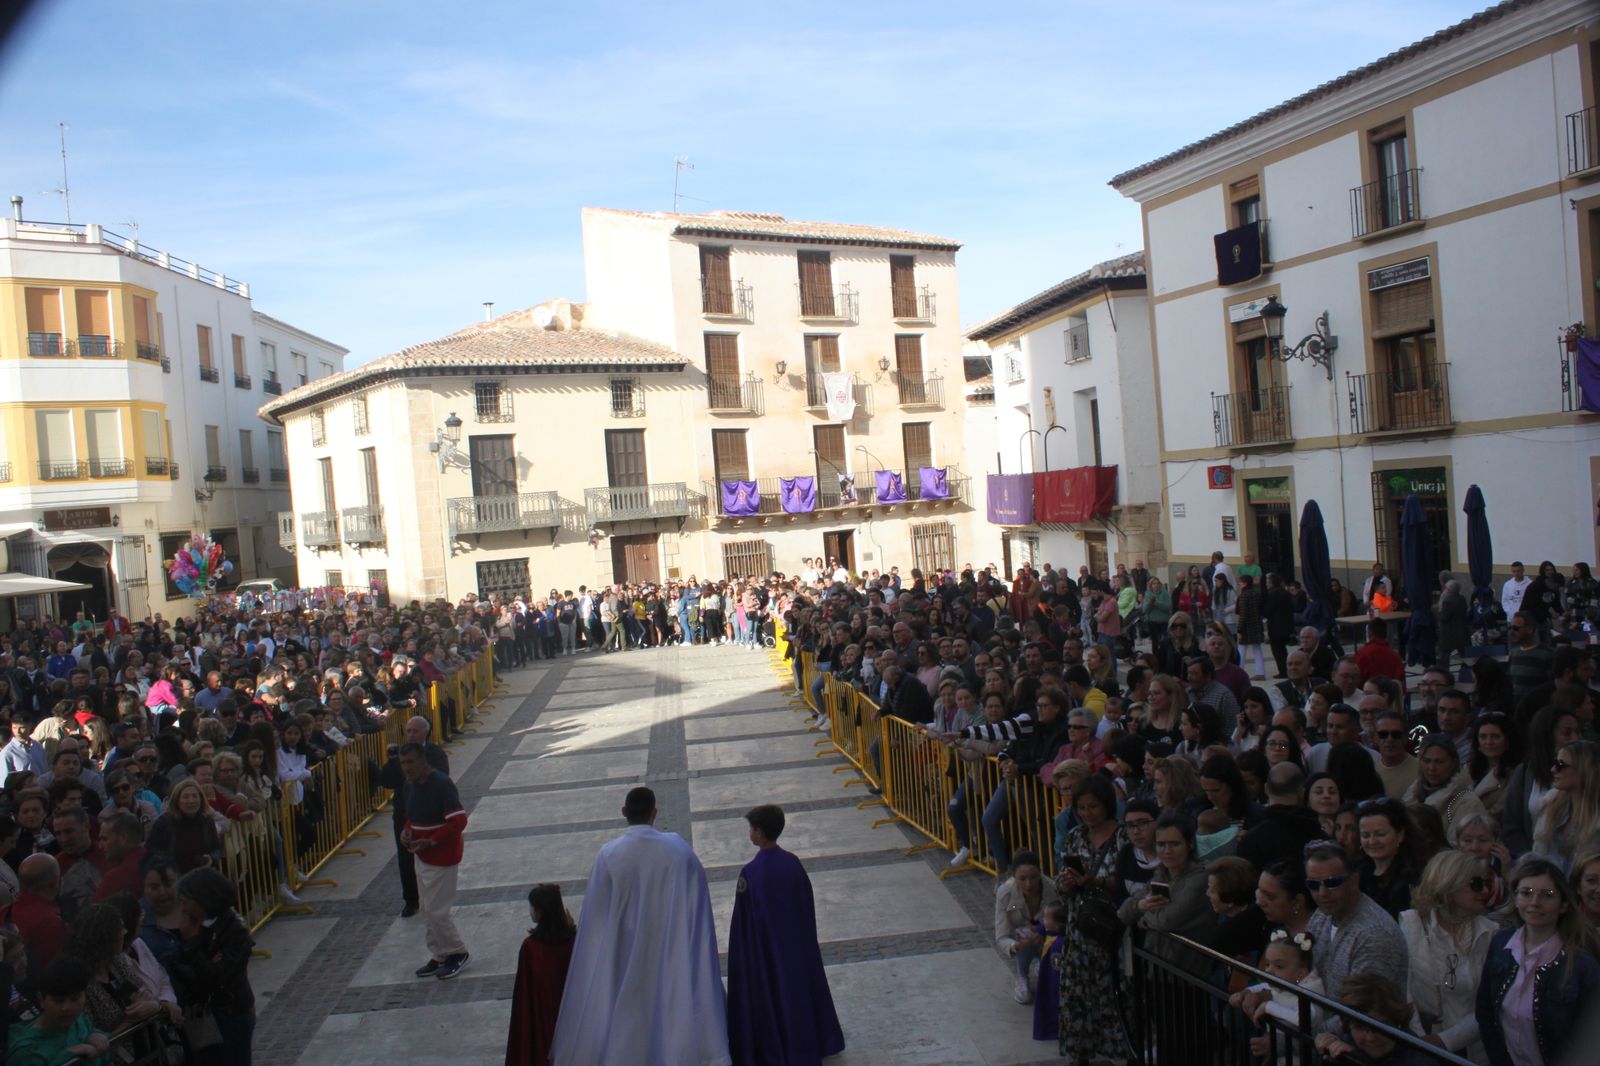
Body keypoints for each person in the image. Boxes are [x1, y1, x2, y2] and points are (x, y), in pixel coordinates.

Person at [551, 786, 729, 1066]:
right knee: (667, 997)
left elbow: (596, 914)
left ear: (624, 812)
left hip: (625, 944)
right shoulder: (678, 849)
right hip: (669, 938)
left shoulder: (609, 854)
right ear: (654, 813)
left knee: (629, 1002)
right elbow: (697, 900)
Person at [725, 804, 844, 1066]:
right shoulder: (792, 862)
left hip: (767, 948)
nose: (750, 833)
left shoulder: (751, 873)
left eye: (751, 829)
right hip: (795, 945)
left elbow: (744, 921)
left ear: (759, 833)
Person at [1476, 855, 1600, 1066]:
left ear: (1563, 905)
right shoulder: (1500, 944)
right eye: (1526, 893)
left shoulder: (1582, 965)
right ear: (1515, 899)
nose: (1535, 903)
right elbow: (1485, 1013)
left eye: (1547, 895)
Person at [1398, 850, 1495, 1061]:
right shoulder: (1411, 924)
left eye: (1487, 883)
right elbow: (1403, 993)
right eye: (1477, 884)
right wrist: (1421, 1042)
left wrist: (1446, 1041)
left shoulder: (1490, 933)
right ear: (1449, 885)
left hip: (1472, 1052)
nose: (1486, 890)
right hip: (1419, 1047)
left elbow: (1490, 1004)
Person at [1303, 842, 1409, 1025]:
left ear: (1354, 881)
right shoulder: (1321, 915)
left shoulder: (1375, 935)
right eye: (1313, 884)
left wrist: (1294, 1041)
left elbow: (1363, 1014)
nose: (1322, 893)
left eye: (1332, 883)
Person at [170, 867, 255, 1066]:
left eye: (187, 902)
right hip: (201, 1016)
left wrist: (191, 943)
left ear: (204, 900)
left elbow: (218, 976)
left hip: (231, 1013)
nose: (182, 909)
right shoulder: (193, 924)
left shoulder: (234, 931)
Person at [398, 741, 469, 981]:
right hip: (421, 855)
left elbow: (458, 820)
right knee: (427, 909)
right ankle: (439, 953)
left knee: (438, 911)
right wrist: (407, 831)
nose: (407, 768)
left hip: (442, 856)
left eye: (411, 762)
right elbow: (412, 817)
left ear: (423, 761)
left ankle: (457, 952)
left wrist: (432, 840)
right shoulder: (409, 786)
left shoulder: (440, 784)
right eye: (403, 763)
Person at [379, 717, 450, 918]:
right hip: (405, 814)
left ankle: (433, 896)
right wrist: (393, 761)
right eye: (408, 731)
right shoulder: (401, 754)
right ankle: (411, 900)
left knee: (432, 855)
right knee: (405, 856)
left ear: (425, 732)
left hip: (430, 815)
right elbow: (385, 780)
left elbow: (440, 777)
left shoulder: (434, 753)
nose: (411, 735)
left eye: (415, 731)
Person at [506, 883, 576, 1066]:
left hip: (542, 1015)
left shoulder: (531, 948)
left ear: (540, 911)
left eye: (532, 906)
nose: (530, 910)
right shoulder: (574, 940)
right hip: (569, 1014)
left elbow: (524, 995)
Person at [4, 957, 110, 1065]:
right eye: (58, 1001)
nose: (67, 1008)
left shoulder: (78, 1020)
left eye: (75, 998)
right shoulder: (27, 1054)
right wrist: (65, 1059)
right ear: (41, 999)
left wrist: (98, 1036)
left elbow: (91, 1033)